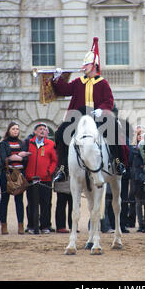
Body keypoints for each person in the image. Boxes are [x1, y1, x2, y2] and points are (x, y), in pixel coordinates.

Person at [51, 37, 125, 183]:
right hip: (79, 115)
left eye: (87, 64)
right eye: (84, 64)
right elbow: (63, 90)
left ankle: (117, 162)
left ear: (94, 65)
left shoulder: (103, 83)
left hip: (97, 115)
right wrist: (57, 78)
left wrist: (101, 110)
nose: (84, 66)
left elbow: (109, 101)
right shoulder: (79, 82)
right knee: (61, 134)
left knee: (114, 130)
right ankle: (63, 168)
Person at [24, 122, 57, 234]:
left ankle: (45, 226)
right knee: (31, 203)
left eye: (44, 129)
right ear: (35, 132)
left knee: (46, 203)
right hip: (31, 180)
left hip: (45, 179)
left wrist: (49, 172)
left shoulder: (50, 144)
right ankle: (31, 226)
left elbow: (54, 160)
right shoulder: (28, 143)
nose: (42, 131)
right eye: (40, 129)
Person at [0, 122, 30, 235]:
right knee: (4, 200)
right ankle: (3, 225)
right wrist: (14, 157)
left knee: (19, 201)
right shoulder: (4, 143)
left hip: (20, 175)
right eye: (13, 129)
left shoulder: (22, 143)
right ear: (9, 130)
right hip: (7, 175)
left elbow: (26, 159)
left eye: (17, 129)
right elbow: (3, 159)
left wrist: (20, 158)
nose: (15, 131)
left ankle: (20, 225)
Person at [129, 127, 145, 233]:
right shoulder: (133, 148)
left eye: (142, 134)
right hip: (136, 177)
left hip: (144, 175)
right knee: (138, 202)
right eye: (138, 134)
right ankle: (140, 224)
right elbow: (130, 161)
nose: (140, 136)